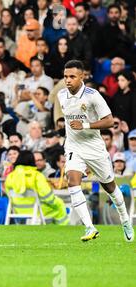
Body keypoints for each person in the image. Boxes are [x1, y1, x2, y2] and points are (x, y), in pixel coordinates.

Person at [58, 60, 134, 242]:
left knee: (109, 186)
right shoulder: (61, 95)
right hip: (74, 146)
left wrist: (85, 124)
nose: (68, 80)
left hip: (94, 147)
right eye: (65, 76)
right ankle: (89, 227)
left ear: (82, 77)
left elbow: (109, 121)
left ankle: (125, 220)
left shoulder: (93, 96)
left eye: (72, 77)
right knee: (72, 180)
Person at [5, 150, 69, 225]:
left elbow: (8, 195)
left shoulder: (10, 176)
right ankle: (62, 230)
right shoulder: (37, 176)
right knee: (59, 204)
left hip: (18, 211)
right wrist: (56, 202)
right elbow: (47, 197)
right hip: (38, 211)